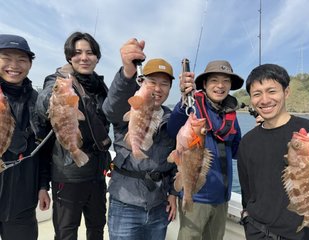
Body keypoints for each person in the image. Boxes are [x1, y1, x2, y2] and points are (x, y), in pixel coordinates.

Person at [36, 32, 112, 240]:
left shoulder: (100, 87)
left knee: (97, 227)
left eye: (90, 53)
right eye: (77, 53)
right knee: (66, 232)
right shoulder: (58, 80)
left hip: (97, 173)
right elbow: (42, 104)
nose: (84, 57)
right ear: (69, 57)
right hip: (68, 174)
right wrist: (57, 95)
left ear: (97, 57)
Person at [102, 38, 177, 240]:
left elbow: (175, 161)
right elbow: (111, 108)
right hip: (125, 202)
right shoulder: (129, 107)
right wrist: (127, 71)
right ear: (142, 82)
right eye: (152, 82)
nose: (158, 89)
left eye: (164, 84)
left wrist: (172, 193)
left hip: (158, 205)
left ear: (170, 89)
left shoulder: (173, 119)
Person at [237, 63, 309, 240]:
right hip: (258, 233)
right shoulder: (247, 142)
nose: (265, 100)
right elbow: (247, 193)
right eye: (257, 94)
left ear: (286, 92)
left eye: (272, 91)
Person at [167, 60, 243, 240]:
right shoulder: (193, 108)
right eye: (214, 80)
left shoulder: (231, 114)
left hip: (222, 198)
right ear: (205, 84)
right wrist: (183, 99)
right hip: (196, 195)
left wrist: (259, 134)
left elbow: (238, 151)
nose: (220, 85)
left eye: (226, 81)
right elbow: (172, 128)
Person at [0, 34, 48, 239]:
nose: (14, 65)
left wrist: (44, 186)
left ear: (29, 64)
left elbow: (44, 148)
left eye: (21, 59)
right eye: (6, 58)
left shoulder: (38, 100)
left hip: (23, 202)